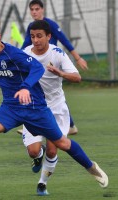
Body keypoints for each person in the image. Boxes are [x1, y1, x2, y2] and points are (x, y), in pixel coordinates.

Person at [0, 17, 108, 193]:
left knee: (62, 143)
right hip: (10, 108)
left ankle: (91, 167)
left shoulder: (14, 54)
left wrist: (25, 88)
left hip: (35, 109)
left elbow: (38, 68)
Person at [21, 19, 83, 195]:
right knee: (33, 151)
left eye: (39, 36)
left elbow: (77, 77)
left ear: (49, 36)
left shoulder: (58, 54)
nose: (36, 40)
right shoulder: (25, 53)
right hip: (34, 108)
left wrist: (60, 73)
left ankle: (42, 183)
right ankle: (37, 155)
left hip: (56, 108)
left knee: (53, 147)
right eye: (32, 36)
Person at [18, 0, 86, 135]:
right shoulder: (31, 27)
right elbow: (26, 45)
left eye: (37, 9)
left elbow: (64, 40)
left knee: (54, 95)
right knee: (37, 92)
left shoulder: (51, 25)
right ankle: (32, 126)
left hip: (51, 64)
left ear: (42, 10)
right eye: (32, 9)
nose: (34, 12)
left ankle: (67, 125)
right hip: (37, 64)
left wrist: (77, 58)